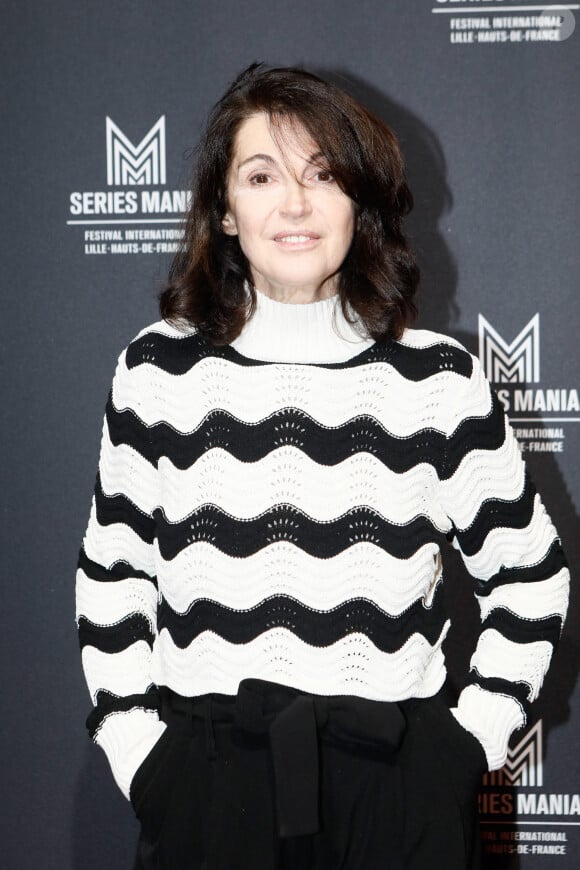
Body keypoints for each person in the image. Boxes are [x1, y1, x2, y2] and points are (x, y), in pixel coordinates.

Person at [76, 63, 569, 870]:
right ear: (226, 210)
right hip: (208, 791)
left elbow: (530, 575)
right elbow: (113, 577)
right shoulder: (158, 370)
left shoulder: (436, 378)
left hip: (395, 793)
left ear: (360, 205)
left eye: (324, 174)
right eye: (261, 175)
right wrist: (141, 753)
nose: (295, 204)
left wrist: (462, 749)